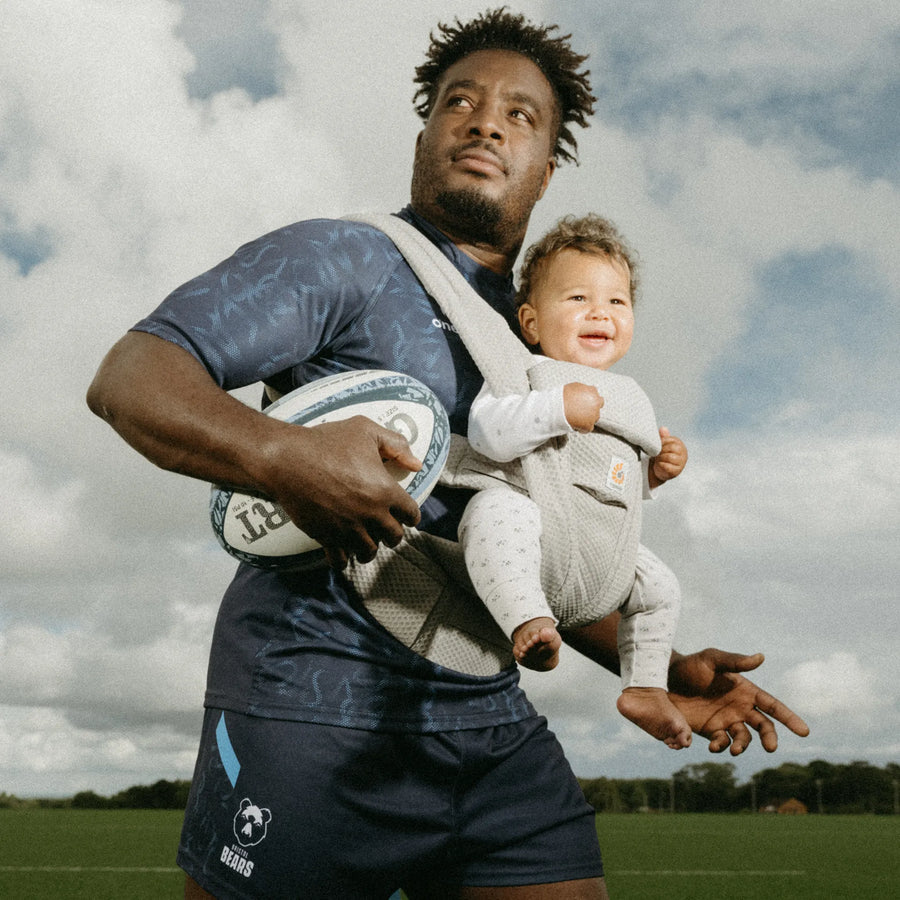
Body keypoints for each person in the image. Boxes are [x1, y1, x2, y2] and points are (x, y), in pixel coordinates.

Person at [86, 9, 809, 899]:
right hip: (311, 711)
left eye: (520, 115)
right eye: (458, 102)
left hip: (485, 719)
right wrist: (285, 457)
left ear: (546, 167)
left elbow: (510, 551)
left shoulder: (544, 342)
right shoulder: (345, 258)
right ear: (427, 132)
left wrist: (653, 660)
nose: (485, 121)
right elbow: (133, 375)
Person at [458, 213, 692, 750]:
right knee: (495, 515)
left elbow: (613, 489)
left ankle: (646, 686)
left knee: (660, 589)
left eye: (616, 302)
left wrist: (652, 474)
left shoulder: (630, 395)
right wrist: (555, 410)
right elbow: (487, 433)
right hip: (537, 527)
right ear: (532, 323)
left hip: (597, 548)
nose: (599, 313)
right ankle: (528, 621)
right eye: (577, 299)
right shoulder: (525, 374)